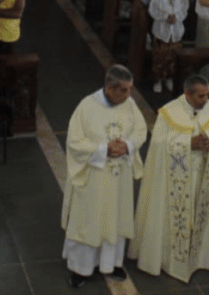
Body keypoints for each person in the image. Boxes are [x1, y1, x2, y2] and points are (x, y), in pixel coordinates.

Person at [62, 65, 148, 288]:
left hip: (119, 178)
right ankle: (80, 268)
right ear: (110, 88)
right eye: (125, 90)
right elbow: (74, 142)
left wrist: (127, 146)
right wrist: (104, 149)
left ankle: (112, 263)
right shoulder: (86, 107)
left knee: (117, 217)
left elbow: (140, 130)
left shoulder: (128, 104)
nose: (130, 95)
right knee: (89, 220)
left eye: (130, 90)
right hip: (94, 178)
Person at [129, 75, 209, 282]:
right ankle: (164, 259)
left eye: (207, 95)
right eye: (200, 96)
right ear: (187, 94)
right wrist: (189, 143)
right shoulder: (169, 112)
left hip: (200, 176)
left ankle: (197, 258)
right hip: (173, 181)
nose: (205, 100)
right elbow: (159, 147)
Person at [149, 0, 189, 93]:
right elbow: (153, 10)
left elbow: (185, 9)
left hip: (176, 30)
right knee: (160, 56)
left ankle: (169, 79)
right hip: (161, 29)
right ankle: (158, 81)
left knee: (173, 57)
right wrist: (166, 17)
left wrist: (176, 17)